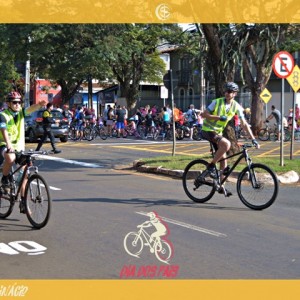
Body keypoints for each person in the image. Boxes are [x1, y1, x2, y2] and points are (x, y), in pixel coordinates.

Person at [201, 82, 259, 196]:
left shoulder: (236, 106)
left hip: (217, 132)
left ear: (235, 94)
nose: (228, 94)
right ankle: (211, 166)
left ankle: (220, 186)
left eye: (231, 92)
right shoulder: (216, 102)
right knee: (226, 144)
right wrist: (218, 117)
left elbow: (244, 123)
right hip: (207, 130)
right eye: (227, 91)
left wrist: (253, 139)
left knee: (224, 162)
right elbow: (203, 114)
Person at [0, 91, 47, 212]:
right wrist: (9, 144)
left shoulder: (21, 113)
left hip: (19, 147)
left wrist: (39, 105)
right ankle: (5, 178)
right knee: (10, 158)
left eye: (19, 102)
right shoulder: (3, 115)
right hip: (5, 145)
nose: (17, 104)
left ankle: (23, 201)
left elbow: (31, 109)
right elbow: (4, 130)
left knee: (24, 173)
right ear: (8, 103)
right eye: (14, 102)